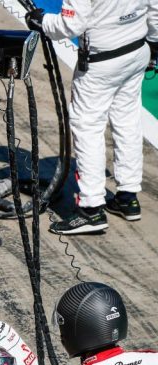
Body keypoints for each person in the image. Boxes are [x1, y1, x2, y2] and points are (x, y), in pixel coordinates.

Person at [27, 2, 156, 234]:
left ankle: (91, 209)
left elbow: (71, 25)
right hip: (137, 51)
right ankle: (128, 197)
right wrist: (155, 43)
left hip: (101, 64)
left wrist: (41, 21)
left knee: (88, 129)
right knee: (127, 122)